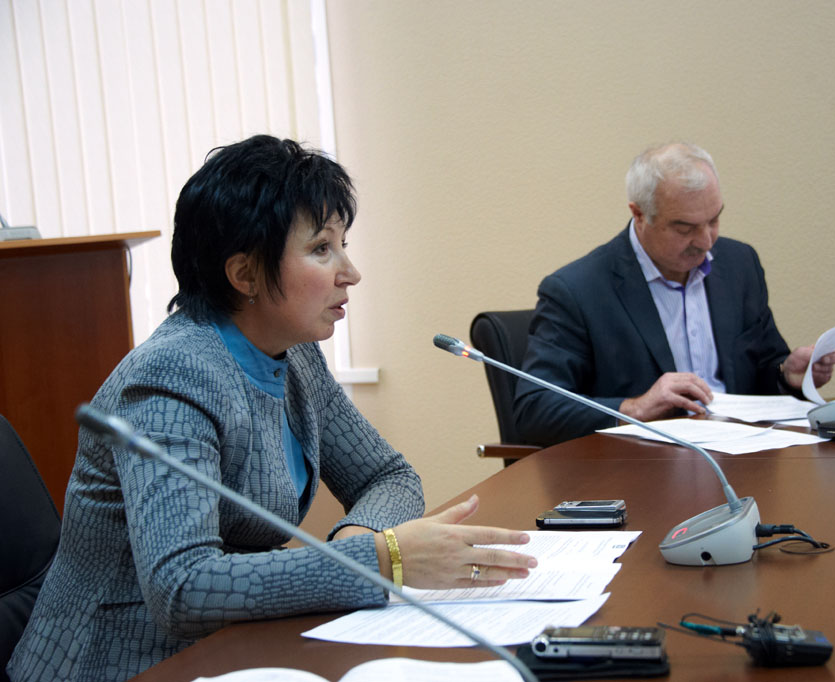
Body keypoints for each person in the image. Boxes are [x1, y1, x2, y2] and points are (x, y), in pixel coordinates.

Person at [7, 135, 536, 682]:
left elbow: (388, 476)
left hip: (238, 643)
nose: (350, 272)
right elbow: (181, 587)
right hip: (118, 662)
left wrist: (361, 539)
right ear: (245, 275)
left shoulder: (295, 355)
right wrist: (383, 560)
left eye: (343, 244)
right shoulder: (172, 375)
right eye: (322, 249)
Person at [513, 142, 835, 447]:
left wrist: (788, 376)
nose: (706, 241)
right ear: (639, 214)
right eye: (685, 228)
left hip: (744, 454)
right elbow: (535, 409)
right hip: (642, 467)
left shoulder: (740, 265)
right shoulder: (577, 290)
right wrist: (635, 408)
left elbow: (761, 370)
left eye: (714, 220)